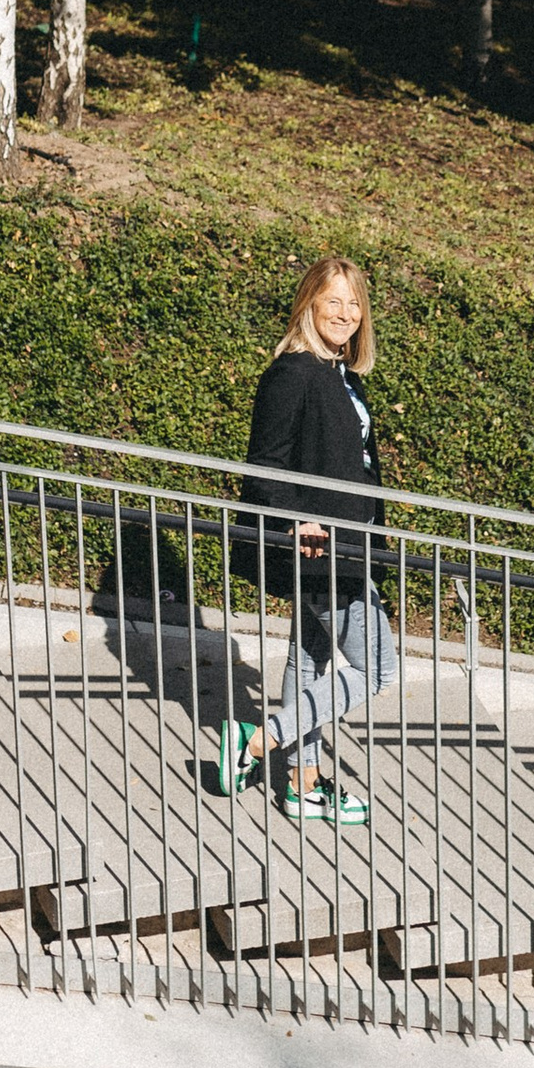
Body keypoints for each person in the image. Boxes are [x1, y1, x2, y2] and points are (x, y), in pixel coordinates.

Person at [220, 254, 398, 820]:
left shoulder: (342, 377)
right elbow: (263, 467)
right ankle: (257, 740)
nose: (345, 313)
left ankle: (302, 783)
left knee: (311, 659)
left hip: (349, 544)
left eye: (354, 303)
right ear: (310, 305)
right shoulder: (293, 373)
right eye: (334, 300)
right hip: (322, 550)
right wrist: (299, 522)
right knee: (377, 669)